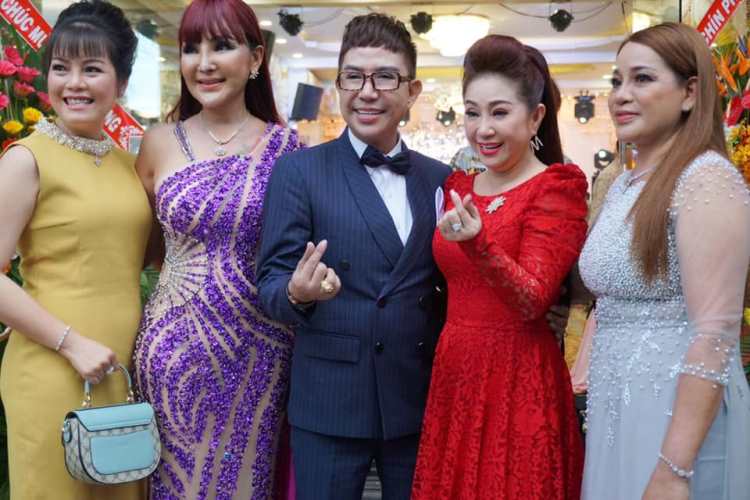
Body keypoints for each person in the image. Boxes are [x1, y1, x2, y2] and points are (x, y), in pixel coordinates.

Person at [257, 13, 450, 500]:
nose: (367, 92)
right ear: (338, 85)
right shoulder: (300, 172)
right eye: (353, 77)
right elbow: (271, 286)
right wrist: (297, 293)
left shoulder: (439, 178)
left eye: (385, 77)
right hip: (330, 400)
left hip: (416, 394)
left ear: (412, 91)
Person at [132, 0, 300, 497]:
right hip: (170, 351)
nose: (203, 63)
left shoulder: (289, 150)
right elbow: (141, 249)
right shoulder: (157, 143)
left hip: (261, 353)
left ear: (255, 58)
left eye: (221, 46)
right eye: (191, 49)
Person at [411, 35, 587, 500]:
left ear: (536, 117)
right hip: (455, 372)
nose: (483, 129)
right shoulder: (458, 185)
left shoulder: (556, 189)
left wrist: (479, 244)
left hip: (518, 375)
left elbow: (533, 299)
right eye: (472, 113)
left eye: (499, 112)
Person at [579, 22, 750, 499]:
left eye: (642, 79)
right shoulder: (624, 184)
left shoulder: (707, 179)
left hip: (676, 420)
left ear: (690, 92)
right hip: (618, 410)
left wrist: (675, 468)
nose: (621, 95)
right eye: (617, 81)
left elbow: (715, 334)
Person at [0, 1, 149, 498]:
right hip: (54, 369)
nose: (74, 83)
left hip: (122, 372)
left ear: (121, 82)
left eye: (92, 69)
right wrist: (71, 344)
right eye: (61, 68)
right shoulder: (26, 159)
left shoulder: (128, 164)